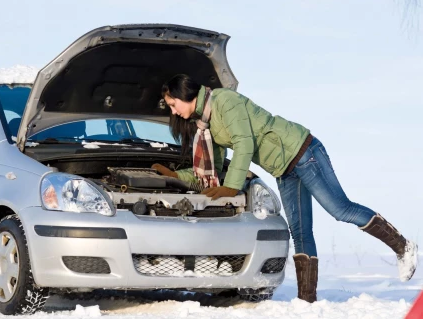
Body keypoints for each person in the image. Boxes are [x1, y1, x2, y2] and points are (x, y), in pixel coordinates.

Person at [151, 74, 418, 303]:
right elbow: (215, 167)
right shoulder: (206, 125)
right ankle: (307, 301)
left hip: (302, 151)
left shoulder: (224, 101)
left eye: (173, 104)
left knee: (340, 208)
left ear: (185, 94)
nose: (173, 111)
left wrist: (232, 188)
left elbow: (244, 144)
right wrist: (176, 175)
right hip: (284, 168)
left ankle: (403, 246)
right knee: (300, 231)